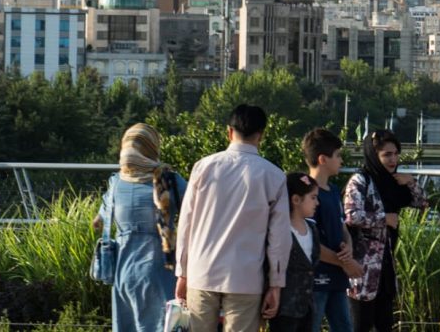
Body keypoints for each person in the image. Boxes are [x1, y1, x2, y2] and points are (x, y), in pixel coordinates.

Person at [176, 104, 291, 332]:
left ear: (229, 131)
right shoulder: (274, 176)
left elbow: (185, 223)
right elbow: (279, 238)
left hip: (201, 271)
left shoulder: (203, 168)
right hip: (246, 277)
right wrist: (276, 284)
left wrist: (182, 272)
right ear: (261, 135)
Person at [93, 124, 188, 332]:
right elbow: (198, 209)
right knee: (162, 325)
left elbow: (98, 220)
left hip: (123, 272)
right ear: (152, 148)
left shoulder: (116, 183)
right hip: (160, 269)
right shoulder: (169, 180)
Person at [345, 131, 424, 331]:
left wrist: (411, 182)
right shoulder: (360, 180)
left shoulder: (394, 181)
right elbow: (351, 215)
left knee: (385, 324)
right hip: (362, 268)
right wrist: (384, 219)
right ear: (374, 155)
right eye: (387, 154)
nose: (393, 159)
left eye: (396, 154)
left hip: (386, 266)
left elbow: (421, 202)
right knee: (360, 325)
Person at [302, 128, 363, 332]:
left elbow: (342, 225)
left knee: (344, 326)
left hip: (338, 276)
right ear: (322, 159)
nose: (341, 161)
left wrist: (349, 248)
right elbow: (309, 242)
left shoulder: (334, 190)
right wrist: (346, 263)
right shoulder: (307, 194)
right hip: (317, 276)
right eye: (337, 155)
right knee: (312, 325)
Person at [272, 173, 322, 332]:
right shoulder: (280, 229)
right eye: (313, 198)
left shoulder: (312, 228)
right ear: (296, 199)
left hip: (307, 307)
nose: (317, 203)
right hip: (284, 309)